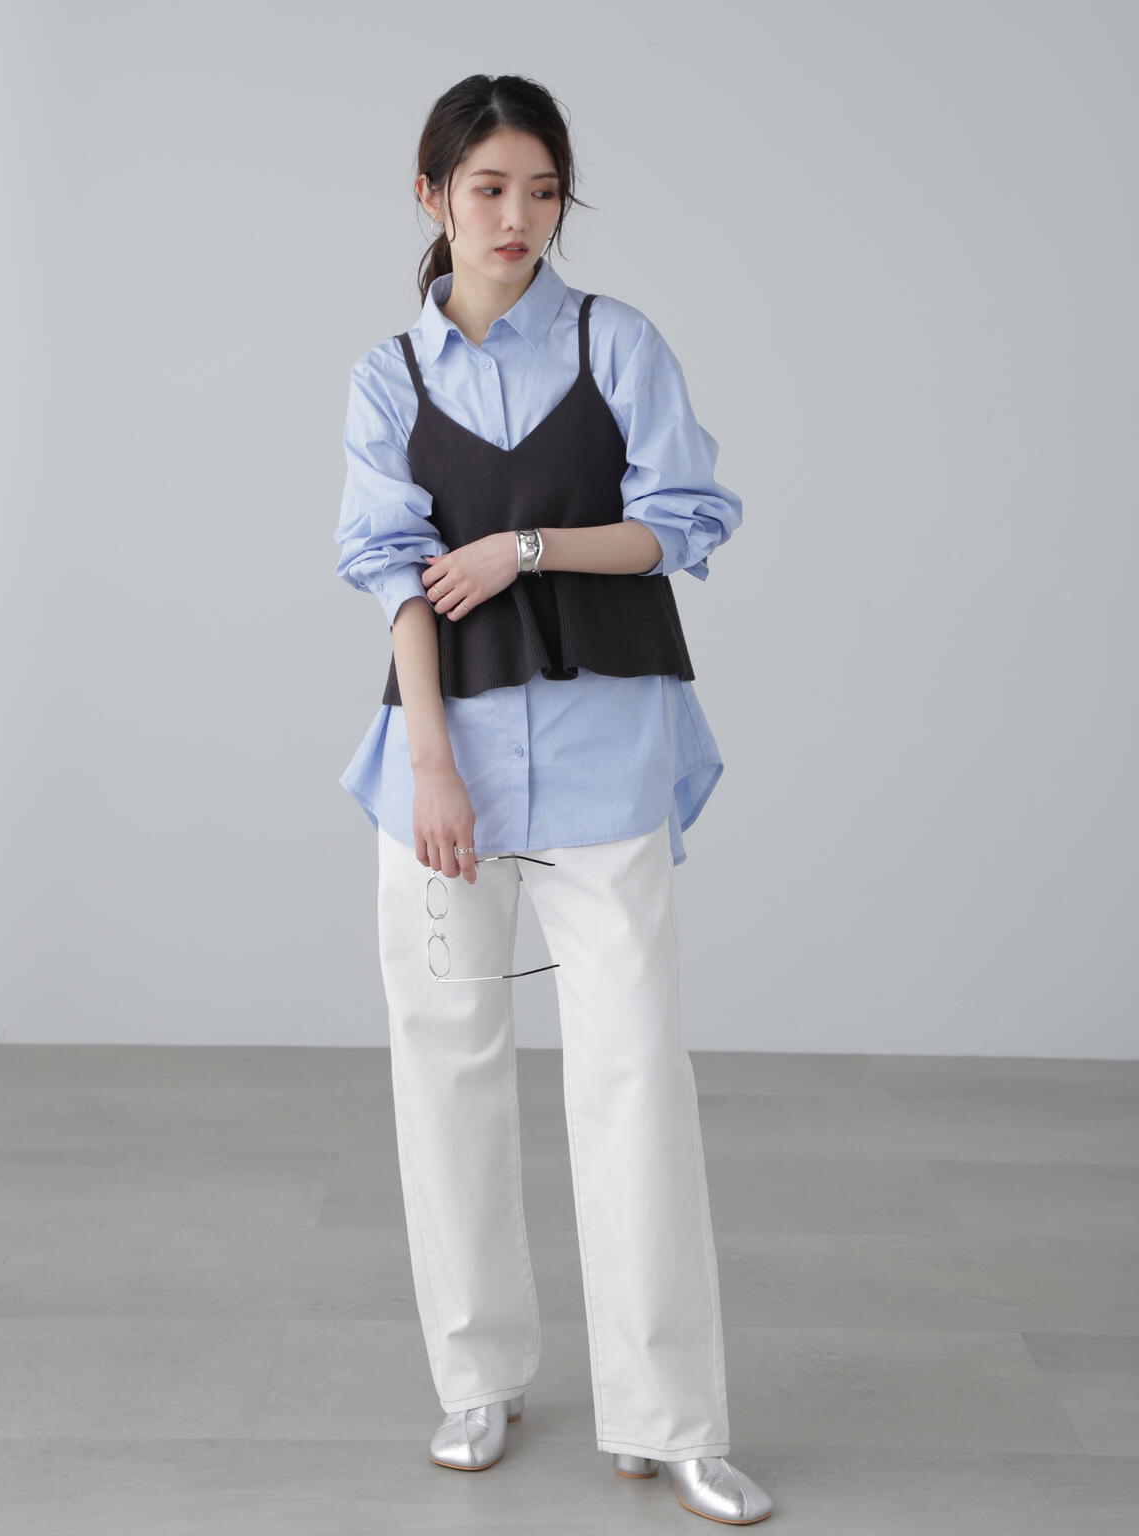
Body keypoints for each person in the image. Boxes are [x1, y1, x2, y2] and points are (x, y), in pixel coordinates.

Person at [333, 74, 774, 1526]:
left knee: (635, 1077)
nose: (516, 216)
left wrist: (524, 548)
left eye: (541, 190)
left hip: (606, 749)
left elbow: (679, 523)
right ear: (432, 197)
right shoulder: (388, 376)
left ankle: (673, 1417)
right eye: (487, 189)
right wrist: (432, 763)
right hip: (444, 766)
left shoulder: (616, 341)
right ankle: (477, 1376)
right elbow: (391, 572)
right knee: (446, 1067)